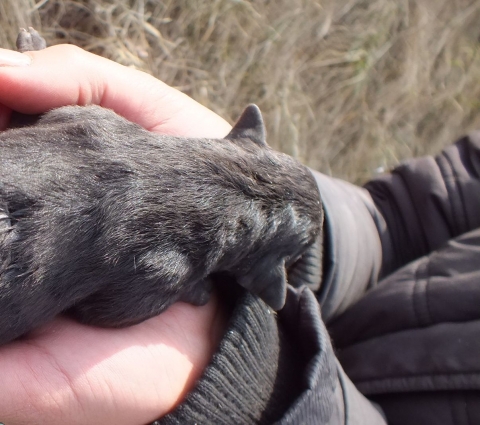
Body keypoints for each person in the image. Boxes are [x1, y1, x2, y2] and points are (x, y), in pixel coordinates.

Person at [0, 43, 479, 425]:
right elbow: (106, 309)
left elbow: (63, 123)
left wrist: (255, 393)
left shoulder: (102, 127)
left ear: (242, 138)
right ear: (259, 273)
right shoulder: (168, 268)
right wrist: (192, 289)